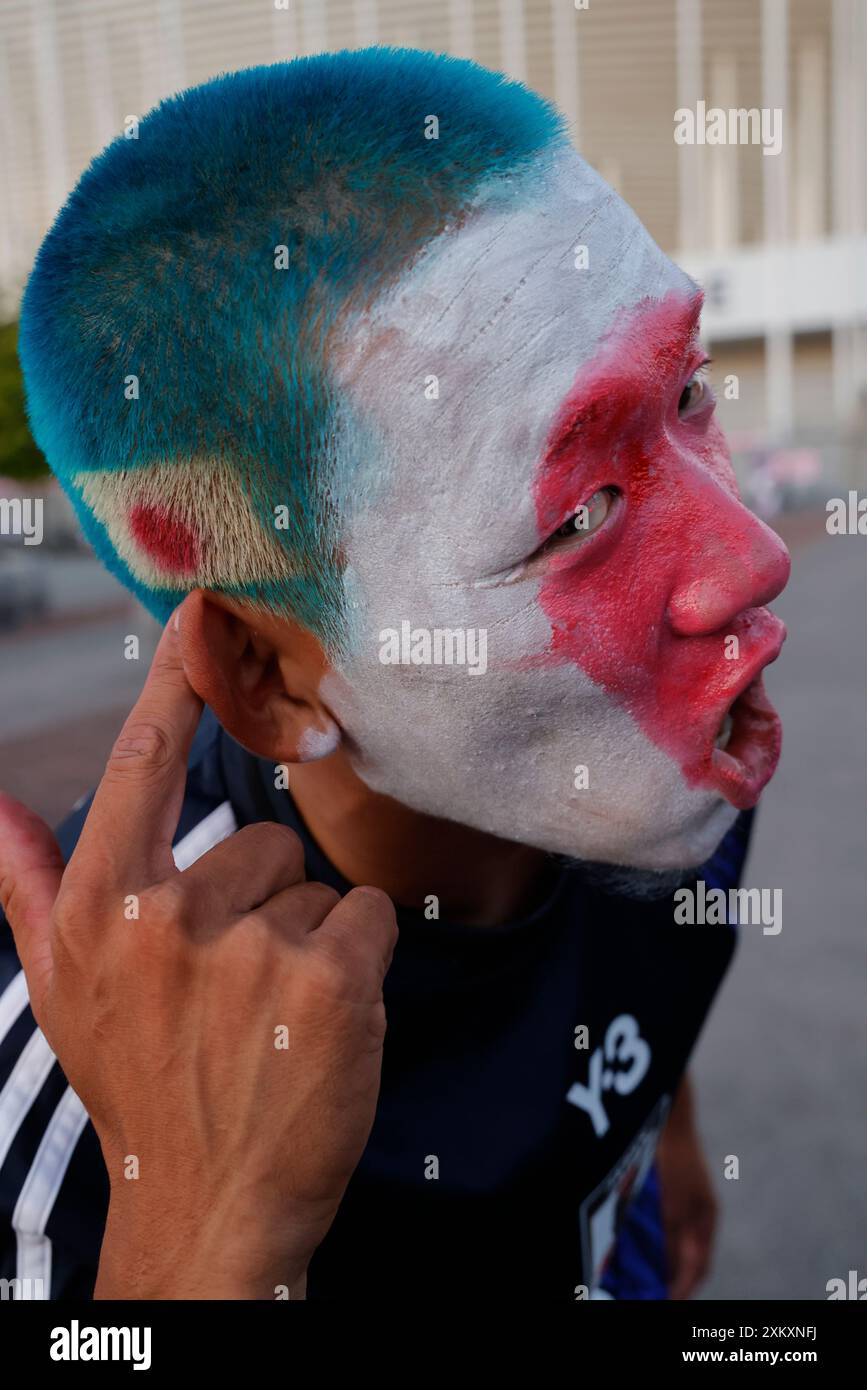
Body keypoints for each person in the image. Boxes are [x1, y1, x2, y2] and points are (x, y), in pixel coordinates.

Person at [0, 47, 789, 1300]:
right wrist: (198, 1237)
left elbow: (629, 937)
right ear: (268, 678)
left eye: (688, 393)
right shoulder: (90, 1102)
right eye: (582, 513)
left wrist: (652, 1146)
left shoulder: (660, 767)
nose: (753, 558)